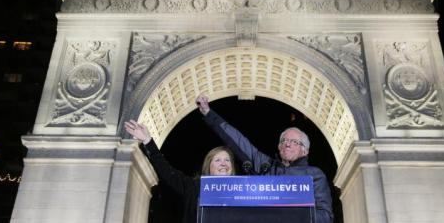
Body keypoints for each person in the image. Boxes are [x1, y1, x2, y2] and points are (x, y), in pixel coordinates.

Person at [196, 94, 334, 223]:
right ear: (279, 147)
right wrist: (209, 113)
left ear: (305, 151)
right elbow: (239, 141)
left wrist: (292, 215)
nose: (287, 143)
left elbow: (326, 216)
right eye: (283, 141)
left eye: (294, 142)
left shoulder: (314, 175)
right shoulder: (267, 166)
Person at [125, 120, 235, 223]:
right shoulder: (194, 187)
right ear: (209, 166)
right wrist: (147, 141)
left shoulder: (244, 191)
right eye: (218, 160)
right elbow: (168, 172)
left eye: (227, 160)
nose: (223, 163)